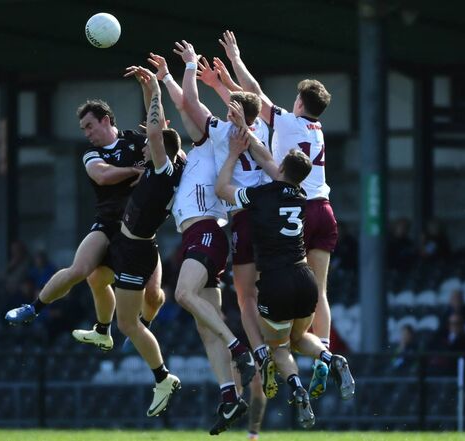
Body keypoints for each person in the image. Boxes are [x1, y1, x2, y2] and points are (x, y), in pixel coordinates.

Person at [217, 30, 338, 398]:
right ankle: (325, 350)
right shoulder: (318, 132)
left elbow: (253, 93)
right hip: (324, 209)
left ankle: (273, 352)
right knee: (318, 291)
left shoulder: (287, 122)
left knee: (257, 291)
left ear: (300, 102)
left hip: (297, 207)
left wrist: (235, 61)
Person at [215, 125, 355, 428]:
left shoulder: (260, 195)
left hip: (276, 282)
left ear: (280, 169)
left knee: (278, 346)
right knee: (297, 338)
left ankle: (298, 389)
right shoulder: (302, 197)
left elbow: (222, 189)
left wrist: (234, 153)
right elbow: (276, 168)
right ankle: (331, 358)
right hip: (305, 280)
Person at [5, 89, 165, 352]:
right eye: (83, 129)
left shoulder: (137, 141)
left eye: (89, 126)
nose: (87, 133)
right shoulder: (91, 154)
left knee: (154, 294)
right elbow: (101, 176)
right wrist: (134, 171)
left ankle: (138, 328)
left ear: (106, 120)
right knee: (84, 271)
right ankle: (35, 309)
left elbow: (162, 151)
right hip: (108, 223)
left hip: (139, 231)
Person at [153, 45, 255, 435]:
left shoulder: (218, 137)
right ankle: (230, 397)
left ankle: (238, 348)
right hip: (203, 234)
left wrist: (192, 66)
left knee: (181, 295)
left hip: (206, 231)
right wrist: (166, 78)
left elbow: (191, 103)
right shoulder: (206, 144)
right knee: (203, 325)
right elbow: (186, 107)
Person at [99, 65, 184, 416]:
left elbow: (155, 130)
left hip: (136, 249)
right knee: (95, 278)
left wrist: (157, 93)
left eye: (150, 144)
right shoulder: (165, 164)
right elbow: (158, 126)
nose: (144, 145)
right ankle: (100, 328)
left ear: (160, 149)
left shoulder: (163, 169)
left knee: (127, 324)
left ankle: (163, 377)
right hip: (129, 245)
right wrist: (149, 89)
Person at [195, 50, 271, 437]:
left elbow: (224, 187)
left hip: (244, 212)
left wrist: (212, 82)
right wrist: (225, 83)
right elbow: (252, 98)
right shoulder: (268, 132)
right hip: (276, 218)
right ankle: (269, 351)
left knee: (245, 299)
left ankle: (257, 350)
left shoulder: (230, 137)